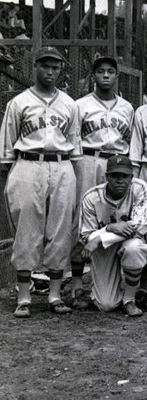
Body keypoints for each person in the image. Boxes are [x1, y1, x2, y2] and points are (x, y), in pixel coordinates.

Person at [0, 46, 81, 318]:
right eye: (45, 65)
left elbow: (75, 144)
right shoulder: (19, 102)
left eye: (55, 67)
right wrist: (9, 176)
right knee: (26, 227)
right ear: (35, 67)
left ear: (60, 70)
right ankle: (24, 297)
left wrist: (75, 181)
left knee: (60, 228)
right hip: (27, 163)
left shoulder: (70, 104)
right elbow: (7, 148)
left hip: (61, 164)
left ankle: (55, 295)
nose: (50, 71)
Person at [70, 55, 134, 309]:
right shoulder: (80, 105)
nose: (105, 75)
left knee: (118, 216)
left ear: (117, 76)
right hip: (88, 158)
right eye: (100, 72)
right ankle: (76, 280)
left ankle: (117, 279)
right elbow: (74, 138)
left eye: (110, 71)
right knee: (81, 218)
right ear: (93, 77)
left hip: (117, 162)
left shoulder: (128, 107)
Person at [79, 155, 147, 317]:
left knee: (135, 247)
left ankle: (129, 299)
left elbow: (139, 226)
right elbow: (86, 238)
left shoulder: (140, 188)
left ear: (132, 177)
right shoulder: (91, 197)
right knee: (107, 305)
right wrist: (111, 228)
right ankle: (104, 287)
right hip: (104, 248)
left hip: (127, 240)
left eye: (124, 176)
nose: (120, 180)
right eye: (115, 176)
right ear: (106, 177)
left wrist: (101, 236)